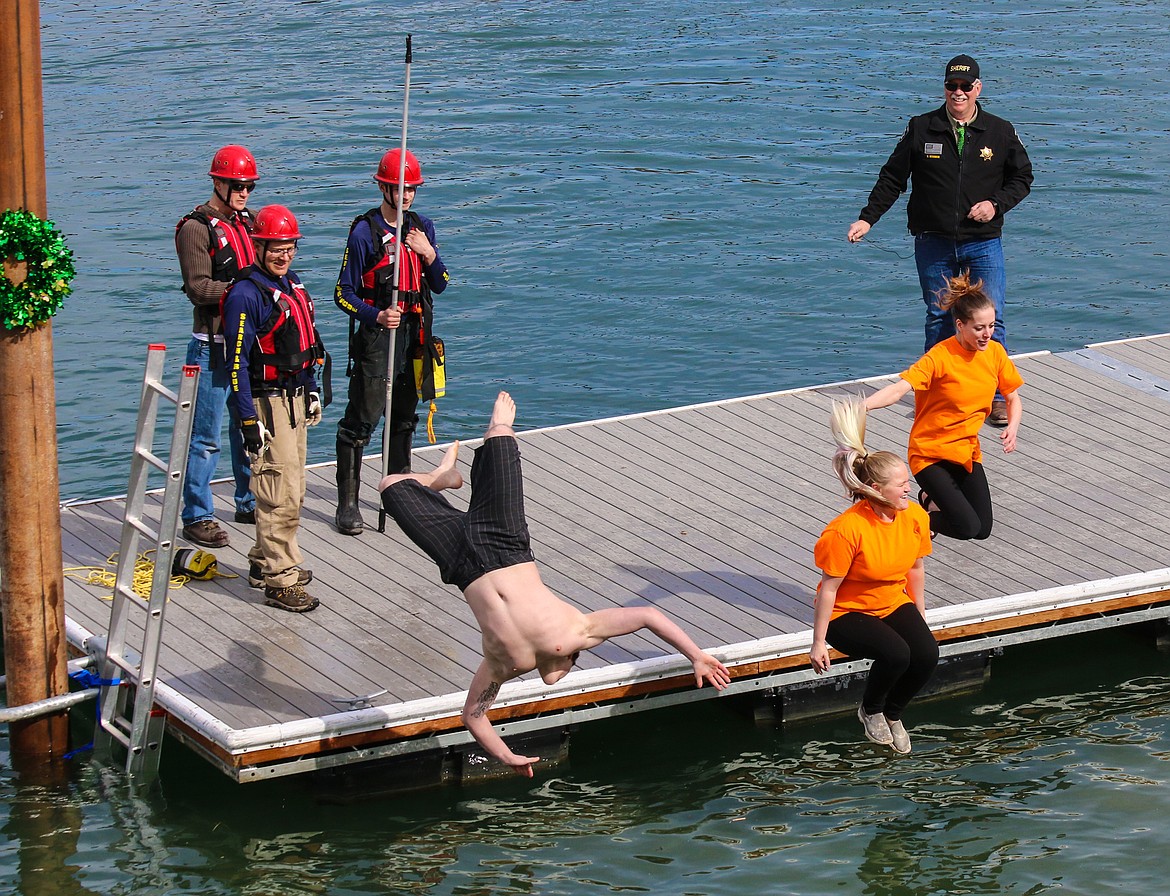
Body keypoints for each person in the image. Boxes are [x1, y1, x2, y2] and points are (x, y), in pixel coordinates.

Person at [379, 391, 731, 776]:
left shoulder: (504, 667)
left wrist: (507, 755)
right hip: (506, 542)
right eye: (571, 666)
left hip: (461, 563)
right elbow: (647, 615)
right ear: (568, 654)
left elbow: (474, 717)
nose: (559, 676)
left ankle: (437, 479)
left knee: (391, 486)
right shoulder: (578, 630)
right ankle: (474, 451)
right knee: (499, 432)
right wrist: (695, 655)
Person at [846, 54, 1033, 426]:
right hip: (933, 241)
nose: (958, 93)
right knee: (938, 317)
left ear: (978, 88)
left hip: (983, 242)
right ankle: (935, 395)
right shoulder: (921, 128)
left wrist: (995, 205)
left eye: (966, 86)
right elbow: (892, 179)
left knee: (991, 317)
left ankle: (995, 397)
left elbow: (1022, 179)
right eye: (952, 86)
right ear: (944, 88)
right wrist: (868, 218)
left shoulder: (1000, 131)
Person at [810, 397, 938, 755]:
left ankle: (893, 714)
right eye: (901, 485)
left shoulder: (914, 517)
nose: (909, 489)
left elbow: (916, 568)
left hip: (890, 601)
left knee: (926, 653)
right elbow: (828, 589)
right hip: (845, 613)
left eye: (908, 482)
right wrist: (818, 642)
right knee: (896, 653)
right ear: (876, 490)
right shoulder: (847, 530)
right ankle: (870, 710)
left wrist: (920, 613)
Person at [333, 148, 450, 535]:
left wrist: (429, 254)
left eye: (411, 189)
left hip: (415, 338)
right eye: (398, 188)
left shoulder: (422, 228)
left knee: (403, 417)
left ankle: (399, 492)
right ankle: (348, 504)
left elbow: (442, 284)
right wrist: (377, 315)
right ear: (384, 187)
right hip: (378, 340)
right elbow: (342, 293)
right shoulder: (364, 233)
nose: (405, 195)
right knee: (361, 421)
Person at [864, 272, 1024, 541]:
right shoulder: (940, 357)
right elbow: (900, 388)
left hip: (966, 452)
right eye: (979, 328)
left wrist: (1013, 428)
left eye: (991, 326)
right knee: (966, 528)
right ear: (960, 325)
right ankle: (912, 519)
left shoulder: (995, 353)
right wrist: (862, 406)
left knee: (982, 531)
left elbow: (1012, 397)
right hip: (930, 454)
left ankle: (928, 501)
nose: (987, 334)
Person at [223, 204, 326, 613]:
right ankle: (279, 580)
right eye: (275, 249)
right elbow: (236, 366)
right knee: (277, 493)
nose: (283, 256)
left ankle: (263, 561)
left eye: (289, 248)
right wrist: (248, 420)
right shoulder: (246, 295)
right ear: (259, 247)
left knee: (294, 486)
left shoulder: (291, 284)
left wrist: (313, 388)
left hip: (296, 397)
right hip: (267, 402)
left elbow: (308, 342)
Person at [174, 144, 260, 548]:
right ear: (218, 183)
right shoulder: (196, 228)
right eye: (237, 186)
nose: (244, 193)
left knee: (247, 427)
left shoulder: (250, 223)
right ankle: (197, 515)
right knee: (205, 436)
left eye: (249, 186)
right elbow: (197, 288)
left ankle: (247, 500)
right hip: (211, 345)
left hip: (247, 346)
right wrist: (243, 292)